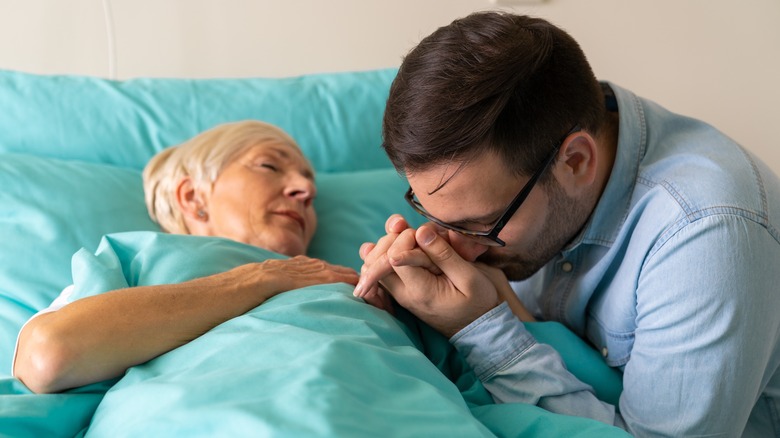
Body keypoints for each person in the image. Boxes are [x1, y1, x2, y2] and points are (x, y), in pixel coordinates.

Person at [355, 11, 780, 437]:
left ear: (576, 161)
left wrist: (481, 331)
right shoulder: (531, 158)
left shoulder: (707, 236)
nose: (458, 248)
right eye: (431, 214)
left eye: (482, 223)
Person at [13, 120, 359, 394]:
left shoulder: (346, 282)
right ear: (193, 196)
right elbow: (47, 355)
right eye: (269, 165)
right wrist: (260, 278)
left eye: (309, 184)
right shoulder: (132, 260)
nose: (306, 190)